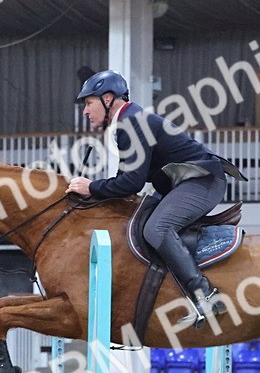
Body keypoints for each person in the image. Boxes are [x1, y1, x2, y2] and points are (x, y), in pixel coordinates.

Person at [65, 70, 242, 328]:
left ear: (108, 98)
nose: (85, 111)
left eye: (89, 103)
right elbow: (128, 180)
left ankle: (206, 295)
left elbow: (131, 183)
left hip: (202, 181)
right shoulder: (128, 120)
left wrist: (91, 186)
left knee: (156, 228)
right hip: (183, 182)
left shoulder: (130, 123)